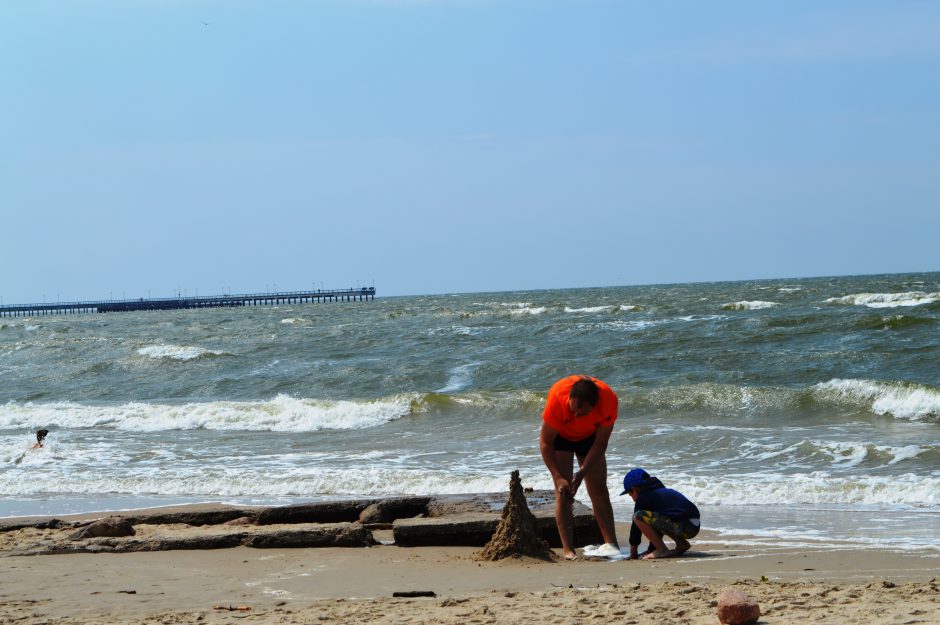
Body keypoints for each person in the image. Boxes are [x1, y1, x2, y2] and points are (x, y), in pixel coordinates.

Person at [539, 375, 620, 560]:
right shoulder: (558, 399)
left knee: (598, 489)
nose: (575, 417)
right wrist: (557, 476)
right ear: (569, 398)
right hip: (561, 438)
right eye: (573, 410)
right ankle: (569, 550)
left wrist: (583, 472)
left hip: (590, 439)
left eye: (582, 414)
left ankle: (612, 545)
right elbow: (545, 442)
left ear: (595, 405)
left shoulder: (608, 401)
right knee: (564, 491)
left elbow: (600, 444)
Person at [620, 468, 700, 560]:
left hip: (686, 526)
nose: (632, 498)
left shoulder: (643, 497)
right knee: (657, 517)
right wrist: (651, 549)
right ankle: (681, 544)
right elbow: (659, 522)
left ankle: (661, 549)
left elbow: (635, 529)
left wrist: (633, 554)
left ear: (634, 489)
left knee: (638, 516)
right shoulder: (659, 492)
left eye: (630, 494)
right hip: (693, 525)